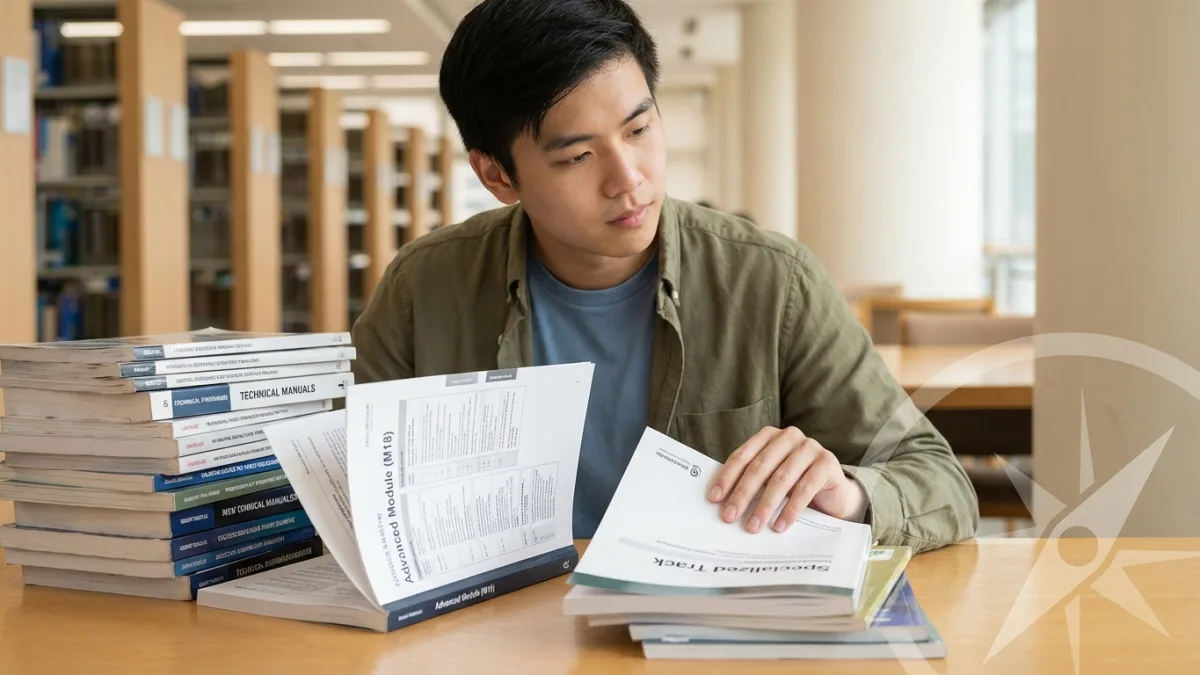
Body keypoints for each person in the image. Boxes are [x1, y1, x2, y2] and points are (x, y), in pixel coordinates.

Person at [350, 0, 979, 553]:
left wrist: (847, 495)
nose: (629, 178)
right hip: (494, 620)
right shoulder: (423, 288)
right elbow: (339, 482)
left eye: (640, 128)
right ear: (497, 176)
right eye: (578, 156)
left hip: (705, 622)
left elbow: (940, 482)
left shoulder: (771, 282)